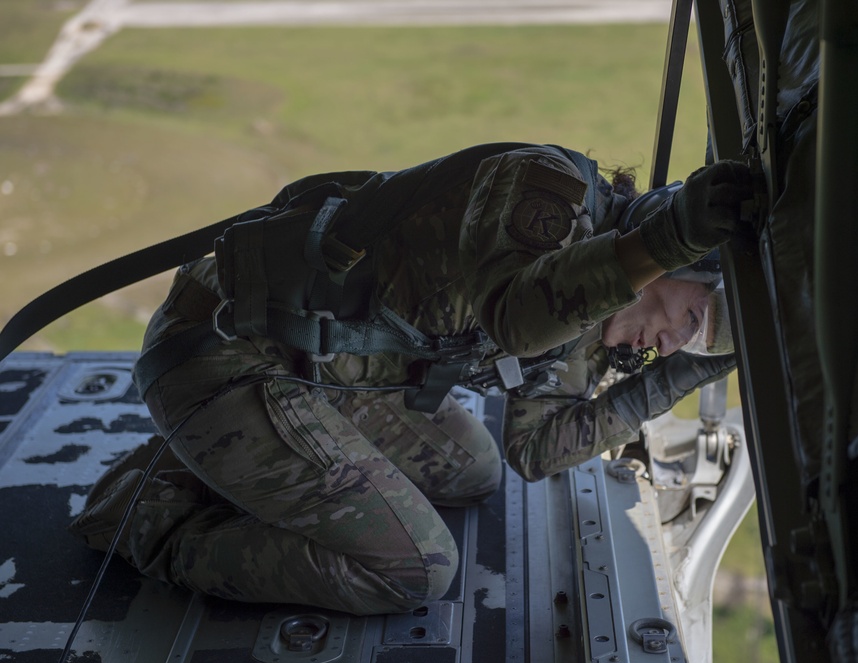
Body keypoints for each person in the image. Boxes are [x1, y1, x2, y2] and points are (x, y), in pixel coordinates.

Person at [68, 143, 753, 615]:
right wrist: (665, 238)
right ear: (671, 261)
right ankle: (148, 520)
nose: (670, 346)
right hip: (225, 352)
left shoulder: (590, 316)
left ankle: (223, 458)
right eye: (691, 322)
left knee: (472, 472)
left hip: (321, 379)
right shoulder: (547, 191)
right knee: (414, 571)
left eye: (688, 347)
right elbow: (517, 316)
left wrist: (677, 378)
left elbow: (535, 449)